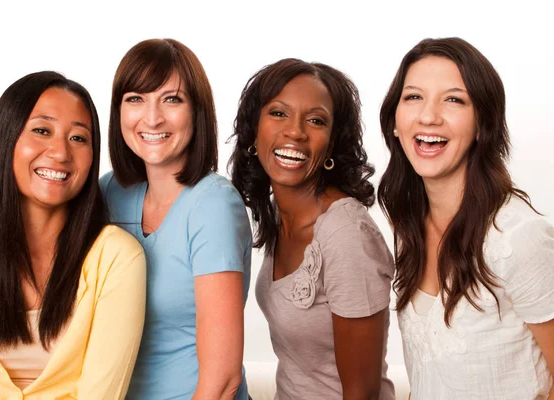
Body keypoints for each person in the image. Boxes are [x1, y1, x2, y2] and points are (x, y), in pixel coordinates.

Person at [378, 37, 554, 399]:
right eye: (413, 97)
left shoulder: (517, 237)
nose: (428, 116)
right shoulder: (407, 227)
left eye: (454, 99)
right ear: (394, 122)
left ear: (482, 126)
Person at [0, 71, 146, 399]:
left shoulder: (116, 257)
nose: (60, 152)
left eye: (78, 138)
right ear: (6, 138)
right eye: (42, 130)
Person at [229, 58, 395, 400]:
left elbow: (361, 394)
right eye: (278, 113)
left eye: (316, 120)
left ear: (333, 143)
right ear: (253, 131)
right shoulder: (280, 213)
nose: (295, 131)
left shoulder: (348, 237)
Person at [100, 38, 252, 400]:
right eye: (135, 98)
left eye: (171, 99)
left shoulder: (212, 204)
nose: (152, 117)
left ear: (196, 111)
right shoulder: (110, 193)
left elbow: (223, 381)